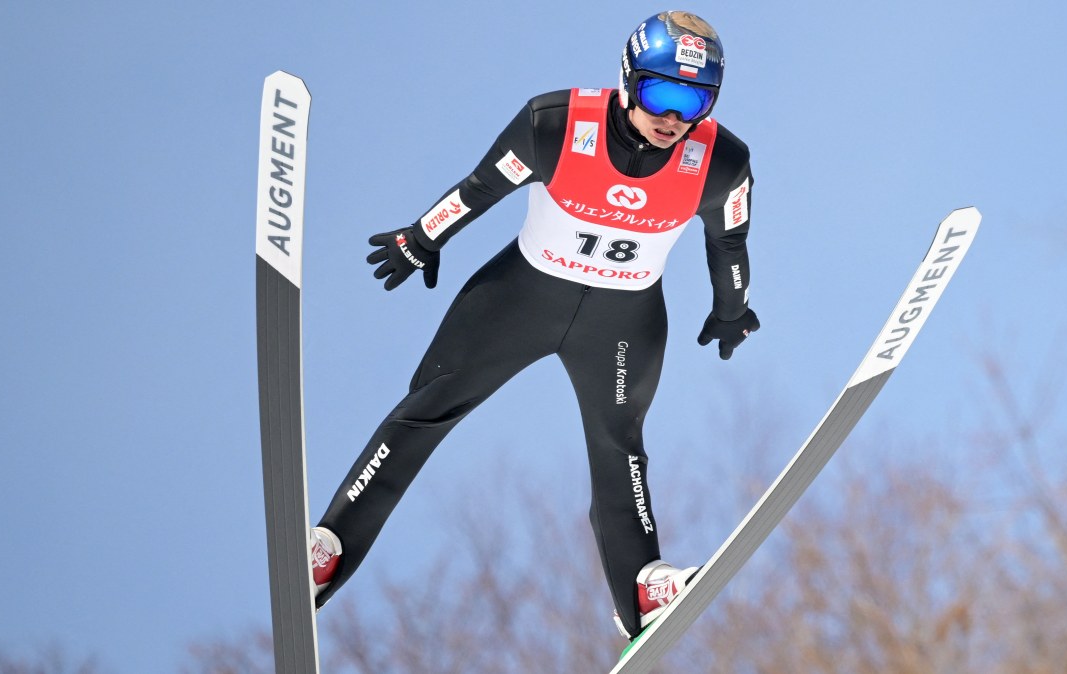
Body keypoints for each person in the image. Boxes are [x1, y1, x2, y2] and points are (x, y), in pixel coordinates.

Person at [310, 10, 760, 641]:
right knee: (428, 406)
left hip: (622, 319)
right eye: (661, 92)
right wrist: (421, 238)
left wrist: (732, 306)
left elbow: (730, 241)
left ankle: (641, 592)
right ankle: (330, 546)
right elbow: (478, 188)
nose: (672, 117)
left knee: (619, 445)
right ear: (630, 80)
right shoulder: (555, 124)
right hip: (520, 298)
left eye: (694, 101)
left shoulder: (721, 161)